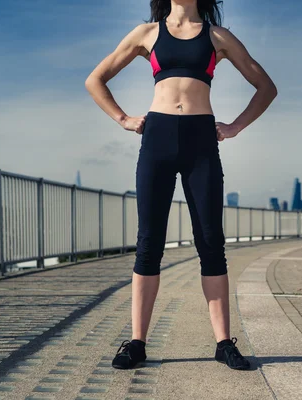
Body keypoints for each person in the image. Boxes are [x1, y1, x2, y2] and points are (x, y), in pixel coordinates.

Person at [85, 0, 277, 370]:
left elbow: (265, 87)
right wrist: (122, 118)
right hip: (156, 137)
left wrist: (235, 126)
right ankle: (137, 343)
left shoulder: (218, 37)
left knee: (210, 241)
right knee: (149, 242)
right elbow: (96, 79)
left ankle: (223, 343)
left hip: (201, 141)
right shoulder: (147, 34)